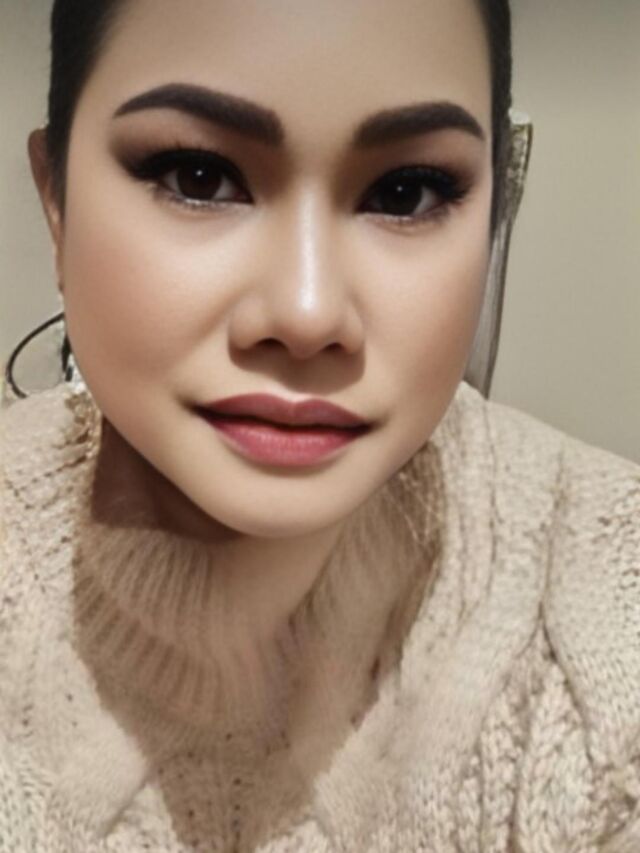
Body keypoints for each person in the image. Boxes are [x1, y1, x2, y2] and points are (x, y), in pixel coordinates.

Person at [0, 0, 638, 850]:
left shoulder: (608, 586)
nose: (306, 314)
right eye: (198, 177)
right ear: (56, 200)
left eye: (406, 192)